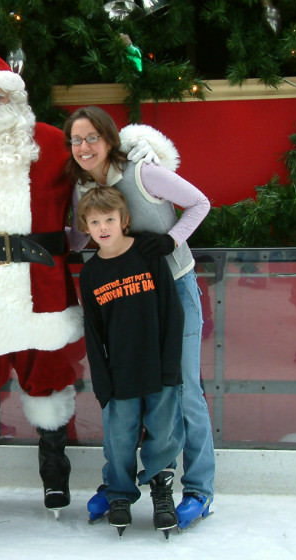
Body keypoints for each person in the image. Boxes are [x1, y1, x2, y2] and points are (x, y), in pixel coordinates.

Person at [0, 49, 161, 515]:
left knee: (49, 376)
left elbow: (102, 167)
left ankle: (54, 475)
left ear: (16, 98)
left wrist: (139, 155)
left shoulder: (51, 143)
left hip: (40, 283)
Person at [64, 105, 215, 530]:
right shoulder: (83, 188)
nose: (84, 146)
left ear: (110, 139)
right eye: (76, 140)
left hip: (174, 289)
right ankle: (118, 485)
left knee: (183, 390)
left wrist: (171, 240)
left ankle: (200, 490)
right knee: (127, 394)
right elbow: (80, 236)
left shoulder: (142, 173)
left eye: (92, 136)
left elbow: (199, 203)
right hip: (127, 301)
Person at [77, 186, 185, 537]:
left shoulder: (147, 255)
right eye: (95, 222)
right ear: (87, 227)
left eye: (109, 219)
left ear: (124, 220)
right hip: (119, 373)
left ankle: (161, 489)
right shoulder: (91, 273)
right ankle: (120, 494)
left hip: (158, 367)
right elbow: (93, 333)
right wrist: (103, 383)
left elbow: (172, 311)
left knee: (163, 432)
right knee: (119, 439)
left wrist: (171, 366)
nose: (104, 227)